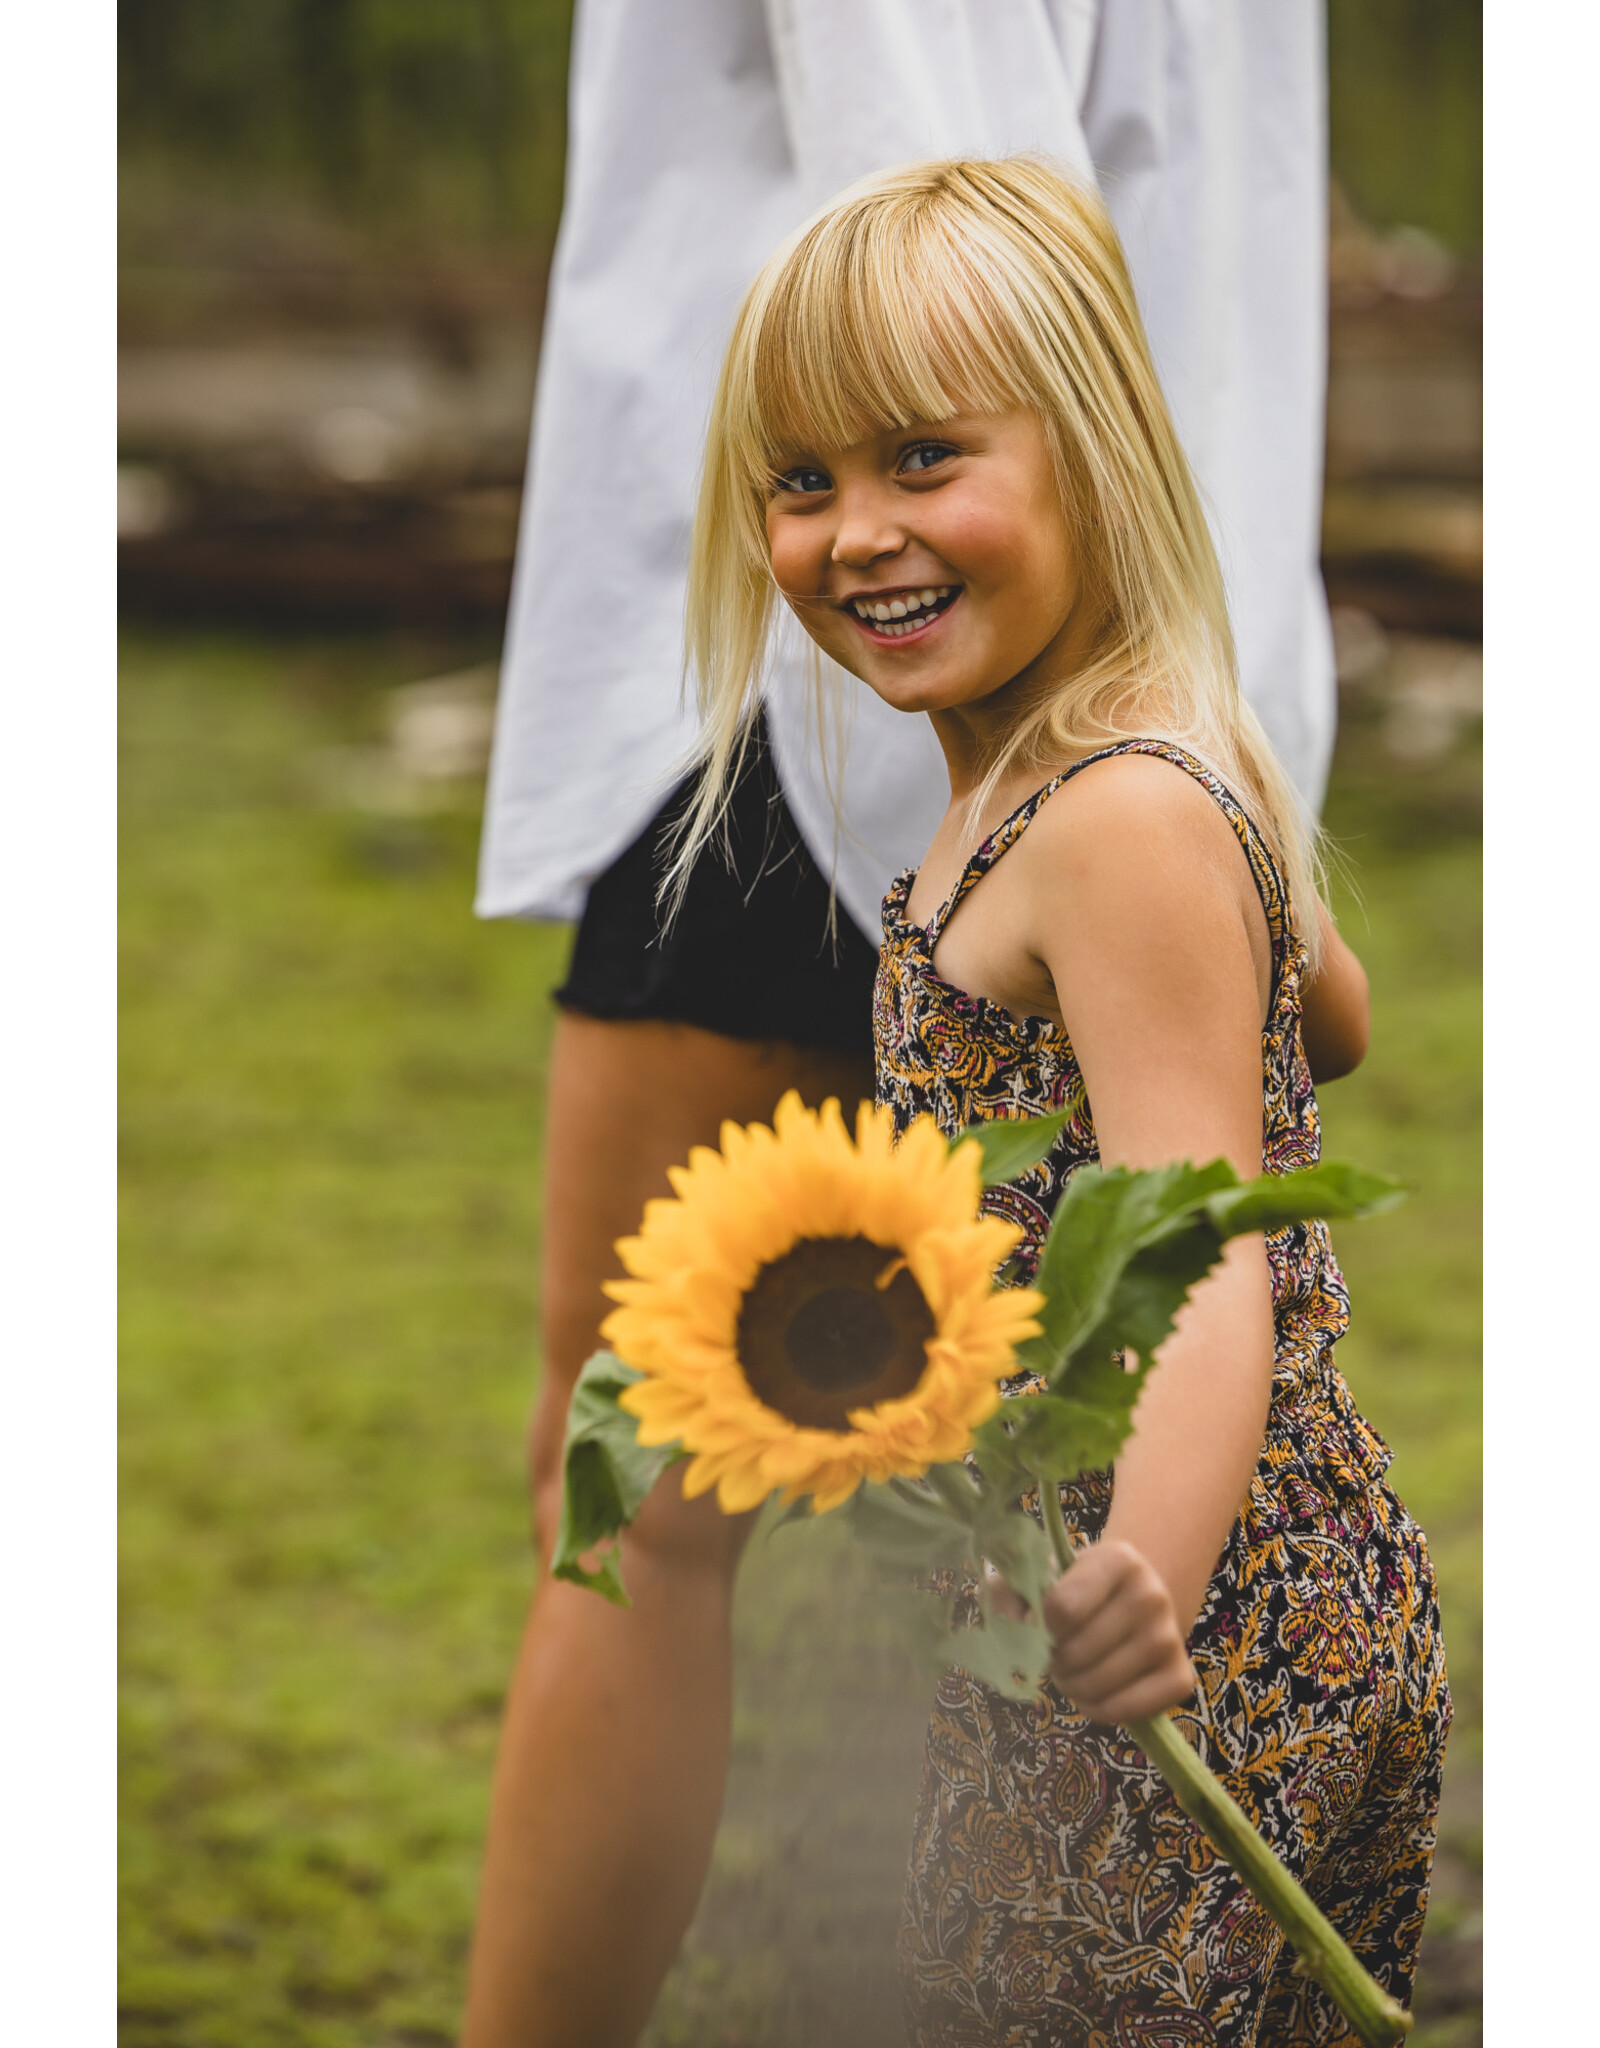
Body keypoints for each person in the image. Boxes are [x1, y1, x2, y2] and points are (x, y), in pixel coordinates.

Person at [466, 8, 1339, 2044]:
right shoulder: (1160, 767)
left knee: (623, 1502)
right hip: (1155, 643)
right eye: (815, 474)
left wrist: (914, 539)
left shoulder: (908, 572)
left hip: (870, 712)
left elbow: (932, 204)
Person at [675, 154, 1449, 2041]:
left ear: (1091, 452)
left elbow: (1203, 1250)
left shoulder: (1109, 817)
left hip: (1192, 1622)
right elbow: (1321, 1019)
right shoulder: (1138, 756)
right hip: (1241, 1580)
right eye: (802, 483)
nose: (858, 533)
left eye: (925, 459)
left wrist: (1144, 1581)